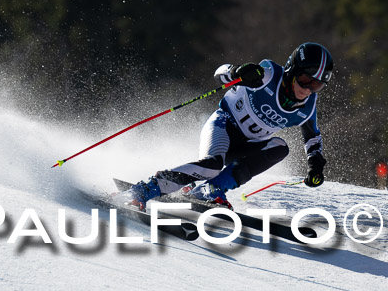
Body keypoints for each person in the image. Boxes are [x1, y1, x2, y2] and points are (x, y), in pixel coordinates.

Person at [124, 42, 334, 210]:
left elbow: (312, 137)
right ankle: (145, 189)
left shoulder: (307, 108)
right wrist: (236, 72)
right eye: (306, 80)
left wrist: (315, 164)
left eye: (317, 85)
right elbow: (219, 74)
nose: (308, 89)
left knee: (280, 148)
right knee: (213, 165)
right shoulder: (268, 74)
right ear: (292, 70)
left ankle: (211, 190)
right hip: (223, 125)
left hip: (247, 146)